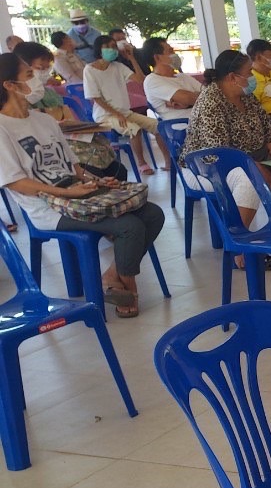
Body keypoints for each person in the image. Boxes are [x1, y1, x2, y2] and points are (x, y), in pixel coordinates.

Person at [0, 54, 165, 318]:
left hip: (78, 194)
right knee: (129, 226)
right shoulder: (3, 129)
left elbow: (73, 167)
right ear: (9, 85)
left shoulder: (44, 120)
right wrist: (67, 192)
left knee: (153, 214)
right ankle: (128, 289)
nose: (38, 79)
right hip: (48, 209)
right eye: (29, 74)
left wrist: (95, 181)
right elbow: (18, 183)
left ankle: (111, 276)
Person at [183, 48, 271, 230]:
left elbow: (267, 128)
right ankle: (239, 238)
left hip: (252, 160)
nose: (252, 76)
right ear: (233, 77)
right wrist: (258, 169)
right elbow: (221, 152)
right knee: (249, 178)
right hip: (207, 168)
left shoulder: (246, 97)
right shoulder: (210, 103)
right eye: (249, 72)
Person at [13, 41, 127, 182]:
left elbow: (67, 119)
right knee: (96, 173)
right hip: (50, 155)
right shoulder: (14, 105)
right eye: (38, 69)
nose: (44, 72)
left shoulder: (49, 94)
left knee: (118, 170)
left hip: (69, 145)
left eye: (47, 68)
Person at [83, 34, 166, 173]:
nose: (112, 49)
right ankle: (142, 164)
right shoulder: (89, 70)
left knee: (159, 126)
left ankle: (168, 162)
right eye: (108, 46)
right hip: (105, 116)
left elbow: (141, 80)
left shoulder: (118, 66)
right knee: (134, 129)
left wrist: (132, 58)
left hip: (125, 113)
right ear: (99, 49)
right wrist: (116, 114)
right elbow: (96, 98)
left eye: (114, 47)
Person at [142, 37, 203, 128]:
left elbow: (210, 94)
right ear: (157, 57)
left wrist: (186, 104)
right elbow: (188, 98)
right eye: (170, 51)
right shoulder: (152, 80)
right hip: (185, 128)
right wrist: (192, 98)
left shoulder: (183, 77)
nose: (175, 54)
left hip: (203, 121)